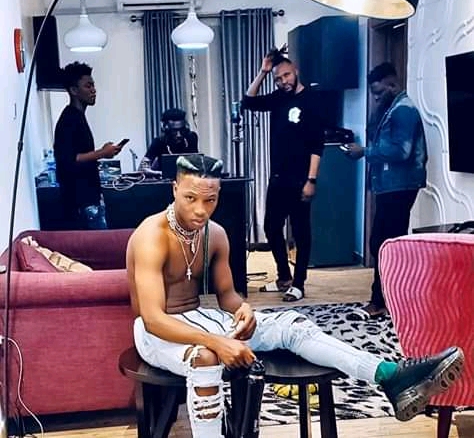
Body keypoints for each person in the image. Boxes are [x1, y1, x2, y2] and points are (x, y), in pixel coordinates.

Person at [126, 153, 463, 438]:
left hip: (202, 320)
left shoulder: (215, 234)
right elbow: (153, 318)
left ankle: (390, 376)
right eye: (190, 198)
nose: (201, 209)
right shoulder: (151, 235)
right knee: (206, 357)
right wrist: (218, 343)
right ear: (174, 189)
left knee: (292, 325)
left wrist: (243, 310)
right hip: (156, 332)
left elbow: (227, 294)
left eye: (210, 200)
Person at [343, 62, 428, 320]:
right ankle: (389, 298)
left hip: (400, 187)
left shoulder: (404, 110)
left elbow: (401, 151)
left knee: (385, 244)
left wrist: (364, 152)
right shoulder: (391, 109)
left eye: (379, 92)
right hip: (390, 187)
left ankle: (381, 301)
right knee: (381, 243)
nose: (376, 98)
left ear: (393, 84)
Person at [240, 45, 325, 302]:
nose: (283, 81)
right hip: (278, 178)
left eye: (286, 75)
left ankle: (299, 284)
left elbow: (317, 145)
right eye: (278, 78)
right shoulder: (278, 98)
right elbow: (248, 101)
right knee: (271, 227)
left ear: (295, 71)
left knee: (301, 233)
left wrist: (311, 180)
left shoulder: (312, 100)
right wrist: (263, 72)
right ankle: (284, 276)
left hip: (301, 179)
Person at [54, 62, 122, 229]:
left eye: (93, 85)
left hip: (89, 199)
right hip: (82, 204)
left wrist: (104, 151)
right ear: (74, 90)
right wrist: (102, 153)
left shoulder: (78, 116)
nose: (93, 90)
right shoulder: (69, 119)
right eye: (88, 86)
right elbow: (69, 159)